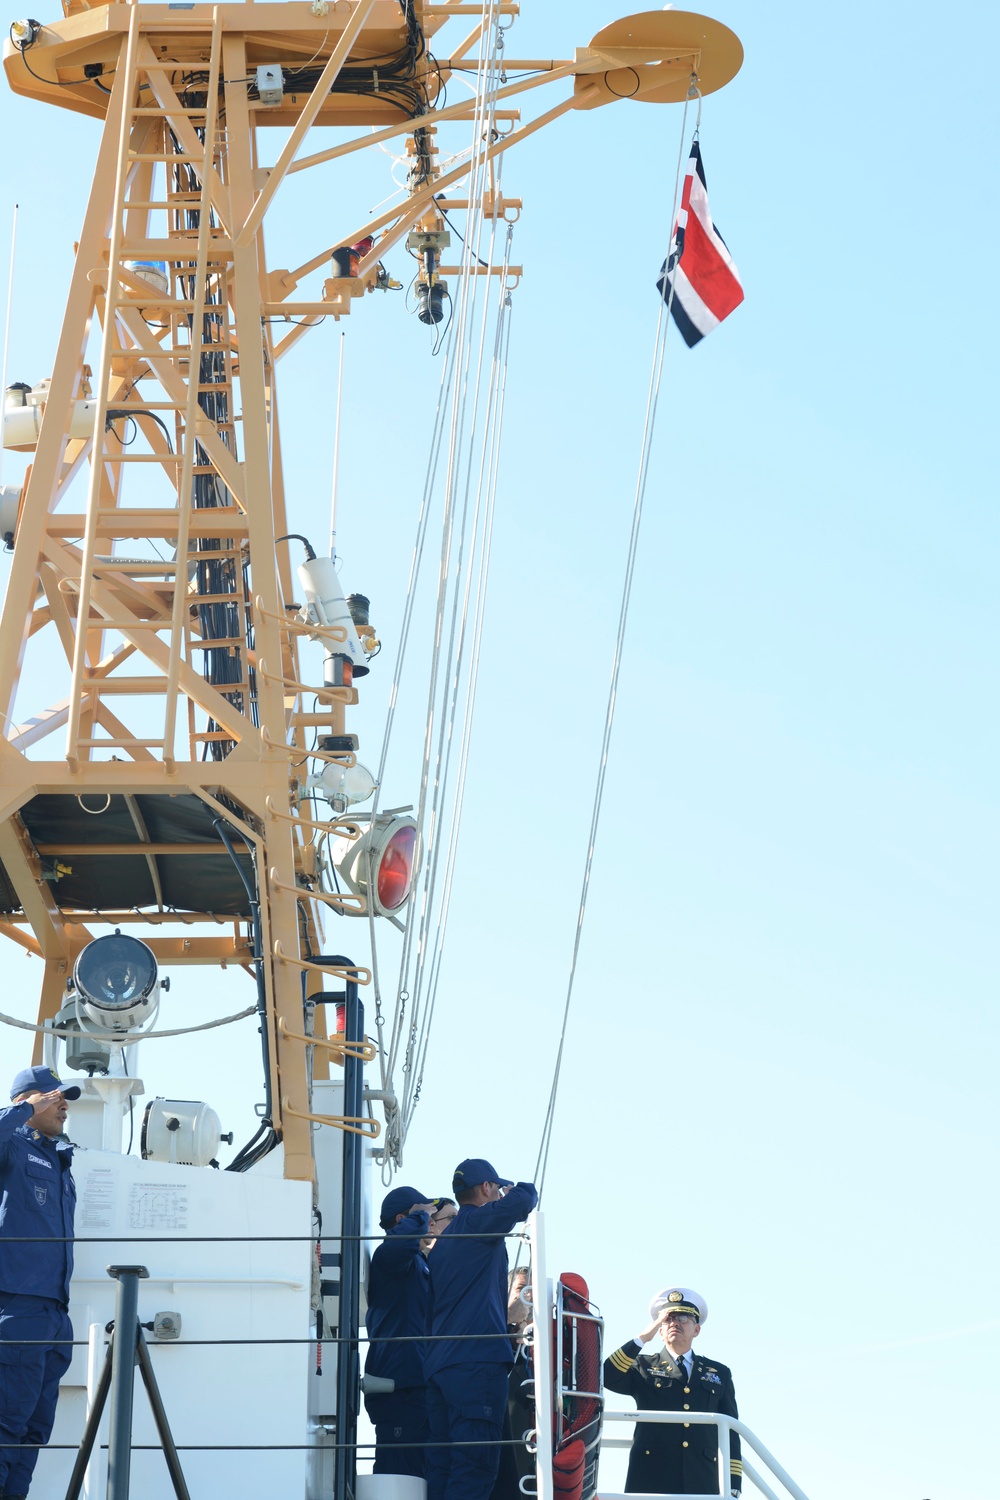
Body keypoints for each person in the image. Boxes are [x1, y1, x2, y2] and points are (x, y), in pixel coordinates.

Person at [424, 1158, 538, 1500]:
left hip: (440, 1368)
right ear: (487, 1188)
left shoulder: (442, 1246)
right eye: (494, 1188)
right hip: (475, 1365)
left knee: (443, 1470)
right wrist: (515, 1190)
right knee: (475, 1467)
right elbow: (526, 1198)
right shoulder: (475, 1221)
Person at [0, 1065, 80, 1500]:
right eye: (53, 1096)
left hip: (54, 1316)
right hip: (17, 1308)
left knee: (33, 1432)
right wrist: (17, 1112)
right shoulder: (10, 1145)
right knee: (4, 1425)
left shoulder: (60, 1160)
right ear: (27, 1101)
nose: (63, 1104)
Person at [603, 1286, 742, 1497]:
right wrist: (642, 1338)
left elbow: (731, 1429)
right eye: (668, 1319)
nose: (675, 1323)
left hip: (702, 1478)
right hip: (651, 1476)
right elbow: (607, 1375)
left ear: (696, 1329)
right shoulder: (643, 1365)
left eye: (683, 1318)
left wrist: (733, 1484)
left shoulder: (719, 1372)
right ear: (659, 1330)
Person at [364, 1185, 437, 1476]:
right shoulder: (390, 1256)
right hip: (399, 1389)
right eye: (423, 1215)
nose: (430, 1221)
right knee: (399, 1479)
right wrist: (419, 1218)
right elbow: (400, 1244)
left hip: (415, 1387)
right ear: (400, 1220)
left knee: (417, 1479)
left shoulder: (417, 1262)